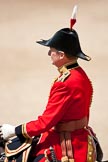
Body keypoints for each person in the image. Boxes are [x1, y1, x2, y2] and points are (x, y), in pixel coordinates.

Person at [0, 8, 100, 162]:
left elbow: (46, 122)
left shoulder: (65, 83)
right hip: (82, 138)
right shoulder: (80, 74)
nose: (49, 54)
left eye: (51, 50)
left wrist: (14, 130)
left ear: (61, 55)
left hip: (65, 144)